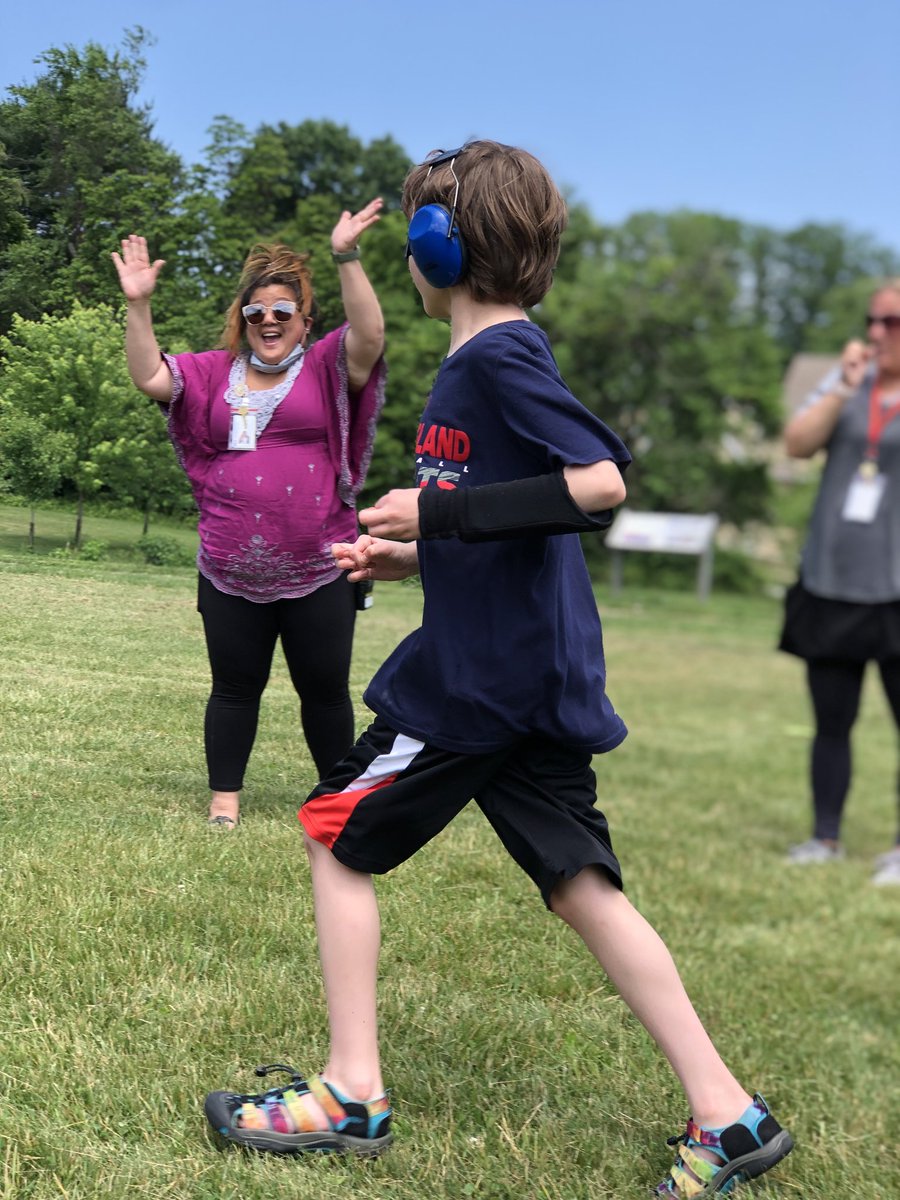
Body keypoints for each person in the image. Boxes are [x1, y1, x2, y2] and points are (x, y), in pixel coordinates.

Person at [203, 142, 794, 1196]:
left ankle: (350, 1094)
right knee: (580, 883)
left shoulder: (496, 359)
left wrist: (437, 514)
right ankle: (729, 1114)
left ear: (439, 248)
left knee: (334, 834)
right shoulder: (492, 361)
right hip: (531, 678)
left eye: (417, 233)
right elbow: (518, 519)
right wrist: (418, 553)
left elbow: (599, 484)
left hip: (476, 684)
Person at [112, 204, 386, 829]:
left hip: (320, 563)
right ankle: (224, 804)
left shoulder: (328, 365)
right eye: (255, 311)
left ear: (305, 321)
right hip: (229, 565)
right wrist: (138, 304)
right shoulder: (212, 371)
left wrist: (346, 256)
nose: (268, 320)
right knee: (234, 687)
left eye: (283, 311)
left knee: (324, 692)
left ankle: (335, 804)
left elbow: (370, 337)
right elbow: (150, 376)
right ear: (241, 319)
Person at [780, 278, 900, 885]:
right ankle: (824, 836)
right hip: (831, 580)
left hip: (895, 588)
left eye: (892, 323)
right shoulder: (846, 382)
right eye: (872, 320)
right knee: (831, 722)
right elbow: (797, 444)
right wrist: (844, 386)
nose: (878, 332)